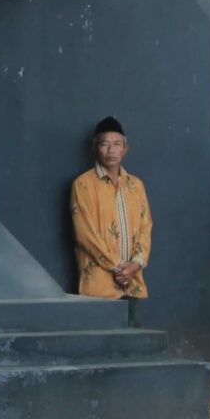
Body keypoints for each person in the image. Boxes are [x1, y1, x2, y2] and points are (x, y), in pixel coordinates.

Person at [68, 116, 151, 301]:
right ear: (95, 148)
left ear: (125, 149)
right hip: (99, 287)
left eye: (116, 144)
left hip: (133, 284)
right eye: (104, 144)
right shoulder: (83, 184)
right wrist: (118, 268)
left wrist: (134, 265)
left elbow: (146, 229)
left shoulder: (136, 186)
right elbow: (85, 235)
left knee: (134, 327)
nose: (111, 150)